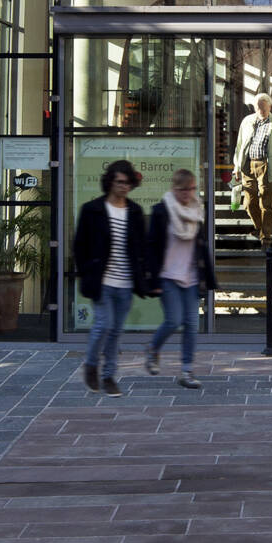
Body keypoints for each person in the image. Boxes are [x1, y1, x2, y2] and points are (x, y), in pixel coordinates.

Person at [71, 159, 153, 396]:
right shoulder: (92, 210)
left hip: (126, 282)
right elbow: (80, 245)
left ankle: (109, 377)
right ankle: (91, 365)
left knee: (116, 330)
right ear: (110, 182)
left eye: (127, 182)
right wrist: (85, 271)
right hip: (102, 280)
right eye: (119, 182)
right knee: (103, 325)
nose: (123, 186)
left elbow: (142, 247)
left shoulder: (135, 211)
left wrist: (146, 276)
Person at [143, 167, 214, 388]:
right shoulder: (162, 211)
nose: (187, 194)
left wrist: (206, 276)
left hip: (191, 276)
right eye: (183, 189)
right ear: (174, 188)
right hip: (167, 275)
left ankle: (186, 371)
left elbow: (200, 246)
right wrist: (152, 280)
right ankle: (153, 348)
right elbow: (152, 247)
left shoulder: (197, 211)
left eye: (191, 189)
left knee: (191, 325)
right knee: (174, 320)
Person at [231, 92, 272, 245]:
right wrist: (236, 166)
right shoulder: (247, 121)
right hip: (247, 166)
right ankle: (259, 226)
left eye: (264, 107)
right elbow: (240, 146)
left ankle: (266, 236)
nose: (261, 110)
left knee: (267, 203)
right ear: (255, 107)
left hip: (267, 166)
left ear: (270, 106)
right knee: (249, 202)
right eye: (258, 107)